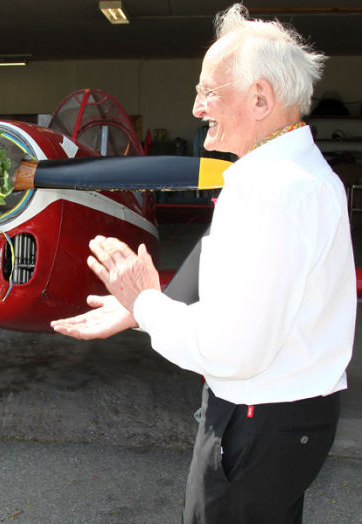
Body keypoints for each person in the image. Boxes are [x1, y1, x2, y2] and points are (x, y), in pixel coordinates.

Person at [51, 4, 355, 523]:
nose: (196, 109)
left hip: (257, 420)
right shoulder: (291, 173)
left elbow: (232, 351)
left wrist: (145, 302)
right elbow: (227, 269)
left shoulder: (273, 192)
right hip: (288, 420)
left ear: (261, 98)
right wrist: (142, 309)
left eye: (208, 92)